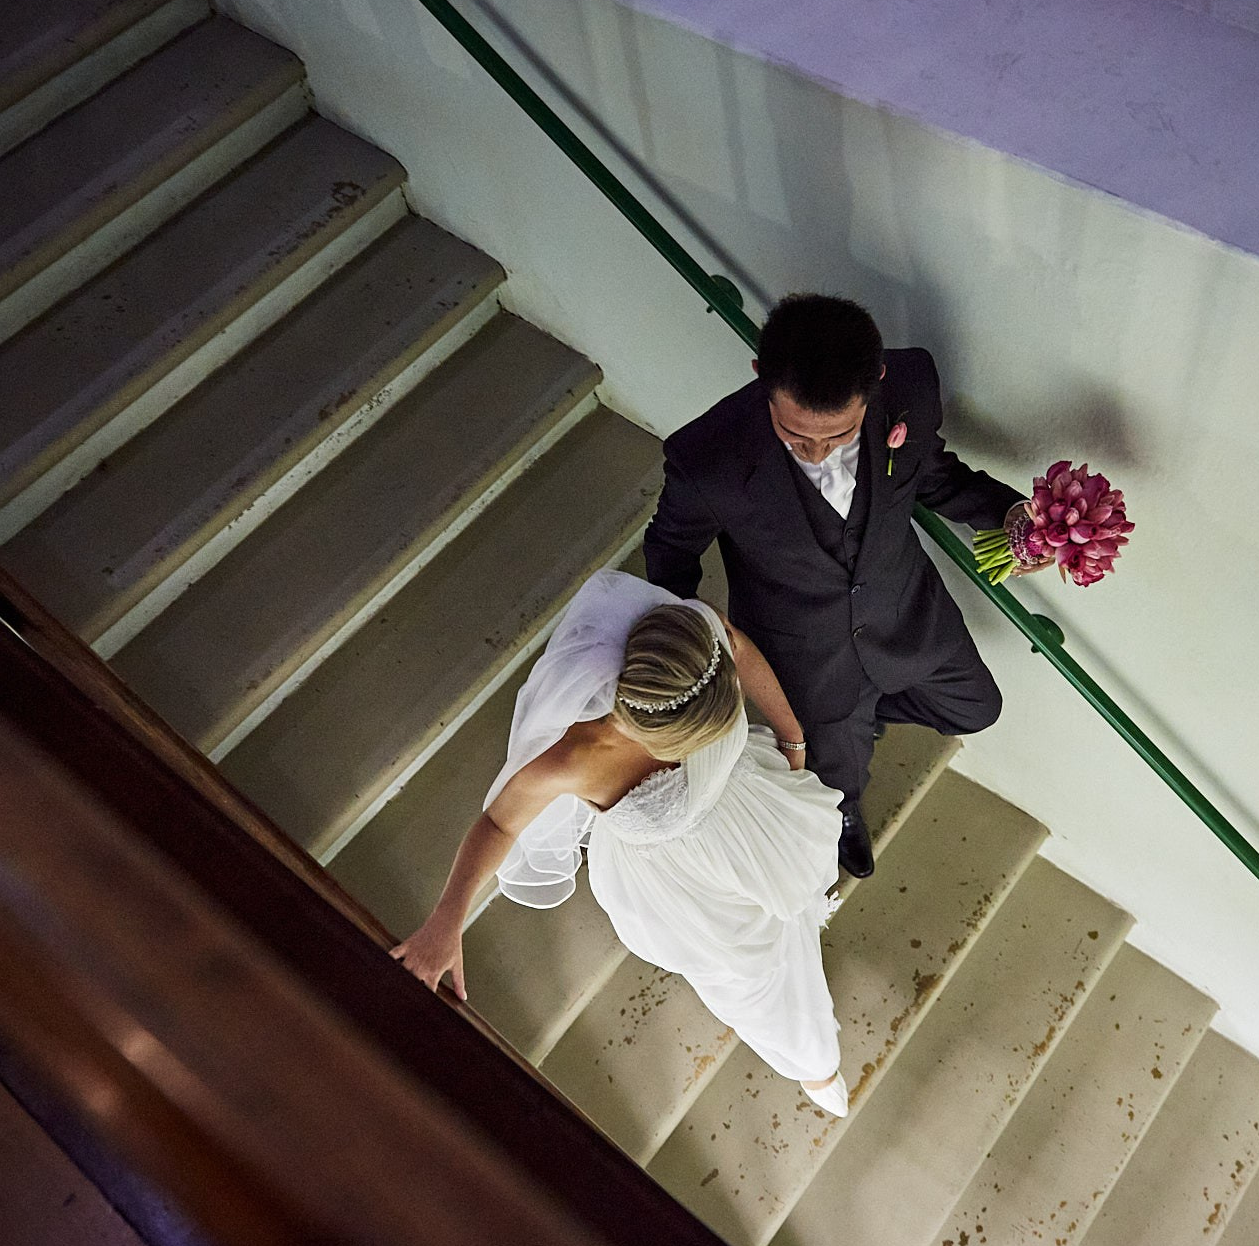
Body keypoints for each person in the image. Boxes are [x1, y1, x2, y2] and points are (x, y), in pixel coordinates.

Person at [391, 569, 850, 1116]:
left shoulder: (693, 641)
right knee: (748, 979)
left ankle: (807, 988)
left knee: (792, 917)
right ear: (640, 727)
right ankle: (812, 1061)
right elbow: (499, 826)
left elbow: (737, 645)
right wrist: (446, 918)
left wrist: (792, 736)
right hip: (683, 886)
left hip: (749, 815)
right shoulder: (573, 759)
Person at [644, 294, 1028, 878]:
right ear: (760, 376)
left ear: (877, 380)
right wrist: (697, 641)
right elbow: (671, 550)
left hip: (906, 614)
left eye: (839, 435)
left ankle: (863, 713)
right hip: (802, 653)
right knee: (837, 777)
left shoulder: (912, 387)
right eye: (796, 436)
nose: (818, 452)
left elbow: (934, 475)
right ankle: (844, 812)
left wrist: (1015, 518)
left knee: (978, 708)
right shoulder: (707, 457)